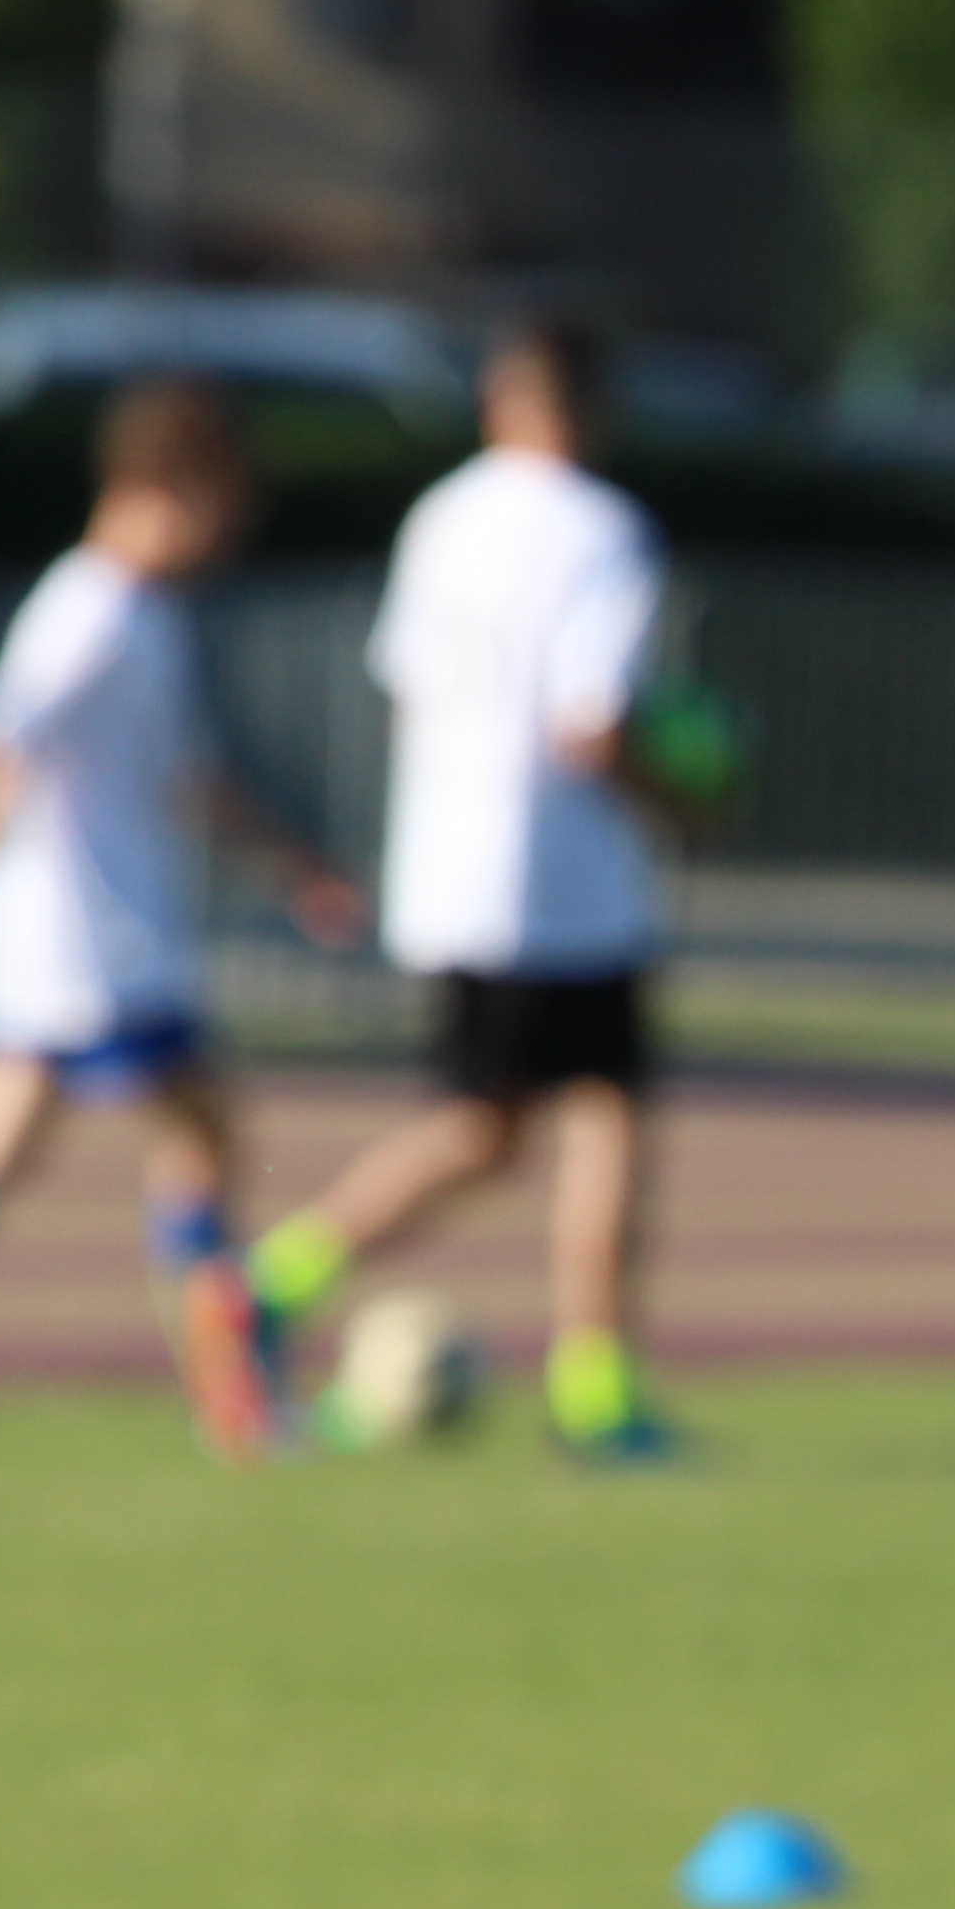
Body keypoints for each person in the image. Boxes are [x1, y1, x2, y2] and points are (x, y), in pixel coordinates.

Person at [0, 376, 363, 1447]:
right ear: (169, 487)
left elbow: (188, 778)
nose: (228, 533)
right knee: (194, 1133)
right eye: (224, 504)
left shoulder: (140, 612)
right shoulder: (90, 611)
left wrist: (297, 865)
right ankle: (233, 1395)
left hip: (84, 939)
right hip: (92, 941)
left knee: (9, 1142)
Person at [241, 315, 683, 1462]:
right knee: (603, 1121)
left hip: (451, 873)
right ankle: (597, 1395)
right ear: (592, 406)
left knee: (483, 1129)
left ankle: (274, 1287)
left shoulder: (441, 516)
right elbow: (592, 725)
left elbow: (408, 687)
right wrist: (682, 799)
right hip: (565, 879)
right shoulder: (602, 529)